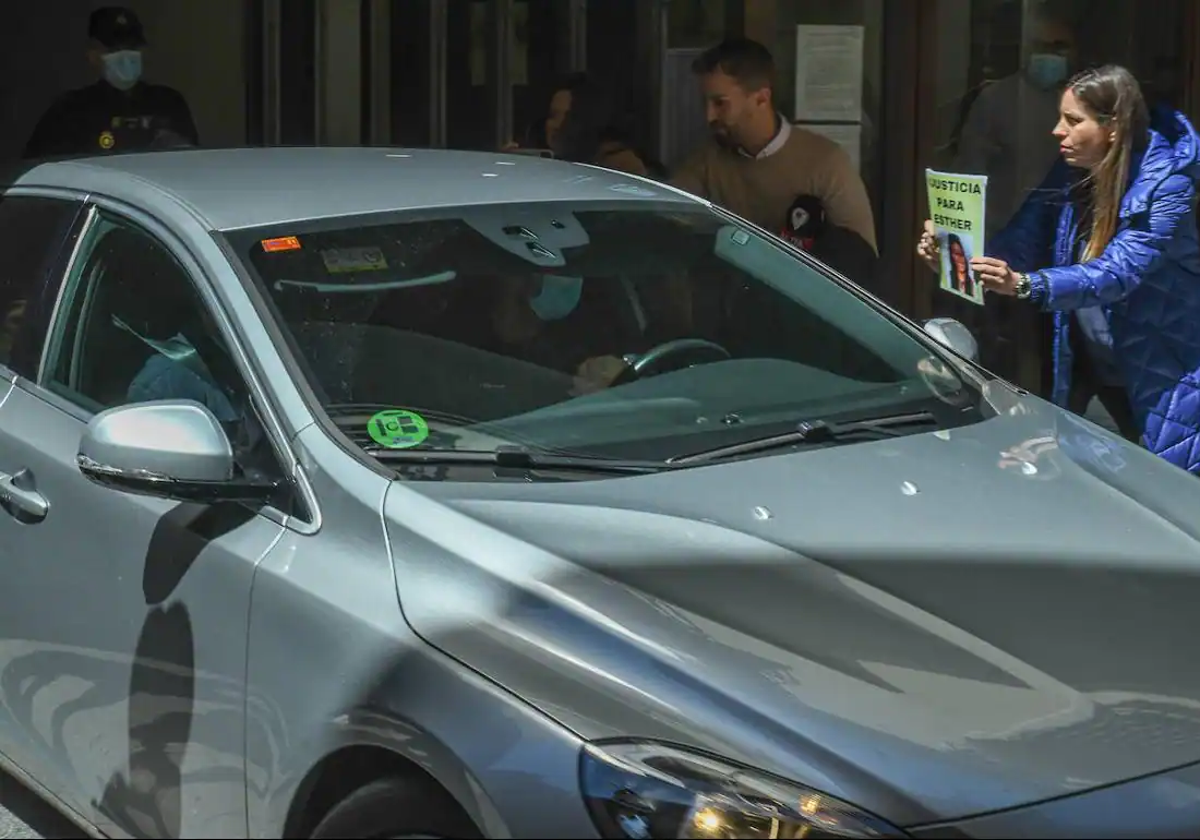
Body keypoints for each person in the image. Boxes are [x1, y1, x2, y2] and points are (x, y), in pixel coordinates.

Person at [917, 65, 1200, 473]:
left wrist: (1027, 286)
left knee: (1167, 496)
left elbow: (1117, 273)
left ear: (1114, 128)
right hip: (1095, 369)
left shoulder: (1169, 185)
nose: (1056, 130)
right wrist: (955, 258)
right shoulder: (1071, 174)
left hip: (1166, 375)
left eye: (1072, 120)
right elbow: (1021, 244)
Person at [671, 38, 878, 284]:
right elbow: (667, 224)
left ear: (761, 98)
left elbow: (862, 261)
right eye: (704, 103)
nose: (709, 116)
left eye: (720, 103)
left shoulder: (826, 163)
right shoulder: (705, 162)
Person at [954, 7, 1078, 238]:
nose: (1050, 54)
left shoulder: (1085, 102)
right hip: (1003, 226)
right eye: (1042, 46)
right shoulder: (996, 98)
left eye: (1058, 46)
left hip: (1065, 230)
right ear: (1027, 48)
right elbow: (970, 169)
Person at [23, 7, 199, 160]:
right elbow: (39, 170)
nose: (126, 56)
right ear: (93, 55)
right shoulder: (69, 111)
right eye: (114, 49)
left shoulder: (169, 103)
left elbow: (192, 164)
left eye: (132, 47)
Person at [506, 73, 654, 178]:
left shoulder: (621, 163)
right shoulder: (541, 162)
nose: (557, 125)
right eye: (553, 116)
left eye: (569, 116)